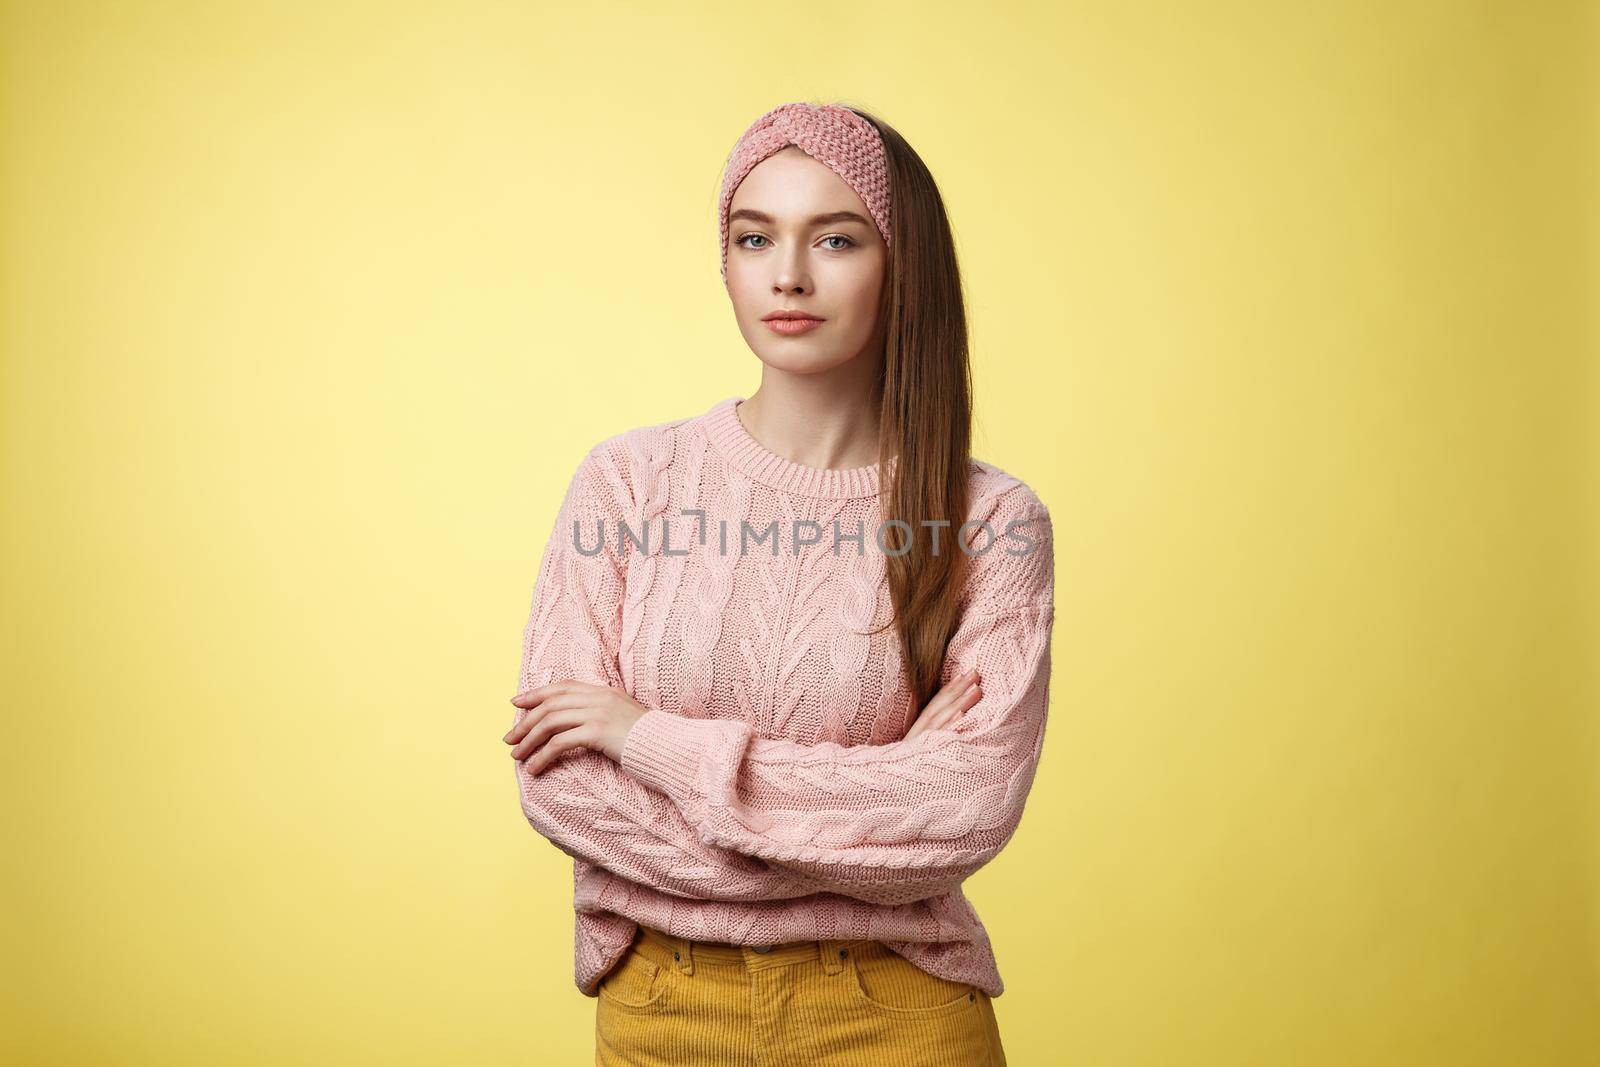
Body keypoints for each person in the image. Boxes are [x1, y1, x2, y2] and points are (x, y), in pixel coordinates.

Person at [503, 100, 1053, 1066]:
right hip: (664, 1010)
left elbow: (964, 807)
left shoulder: (991, 522)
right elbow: (561, 788)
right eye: (754, 237)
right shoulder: (631, 482)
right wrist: (868, 821)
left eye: (836, 239)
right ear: (726, 261)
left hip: (896, 1009)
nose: (788, 274)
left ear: (902, 264)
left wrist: (649, 738)